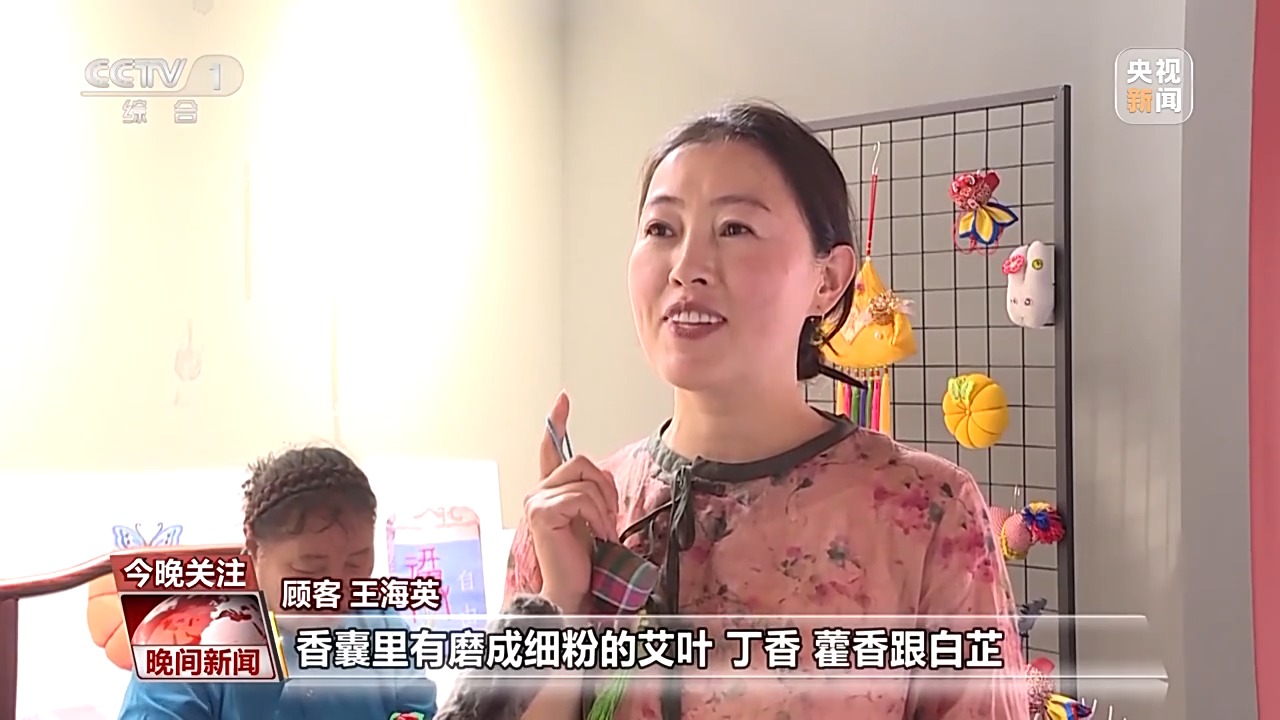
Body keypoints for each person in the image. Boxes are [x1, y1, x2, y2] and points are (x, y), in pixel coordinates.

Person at [506, 101, 1027, 719]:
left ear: (828, 280)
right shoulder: (570, 521)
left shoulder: (927, 512)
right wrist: (562, 602)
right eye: (661, 230)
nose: (686, 268)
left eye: (735, 229)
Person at [119, 446, 438, 719]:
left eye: (356, 564)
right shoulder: (185, 638)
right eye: (309, 571)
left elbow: (415, 709)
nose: (335, 592)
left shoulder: (382, 626)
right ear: (254, 547)